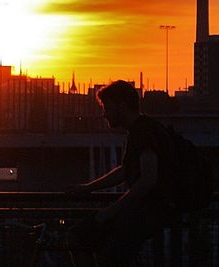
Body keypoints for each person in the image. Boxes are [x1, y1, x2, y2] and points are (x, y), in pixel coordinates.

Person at [67, 80, 176, 266]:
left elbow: (148, 179)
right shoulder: (141, 130)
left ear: (122, 106)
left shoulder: (143, 132)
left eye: (107, 108)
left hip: (147, 213)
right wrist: (89, 188)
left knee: (80, 238)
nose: (104, 114)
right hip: (149, 212)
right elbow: (126, 170)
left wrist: (112, 210)